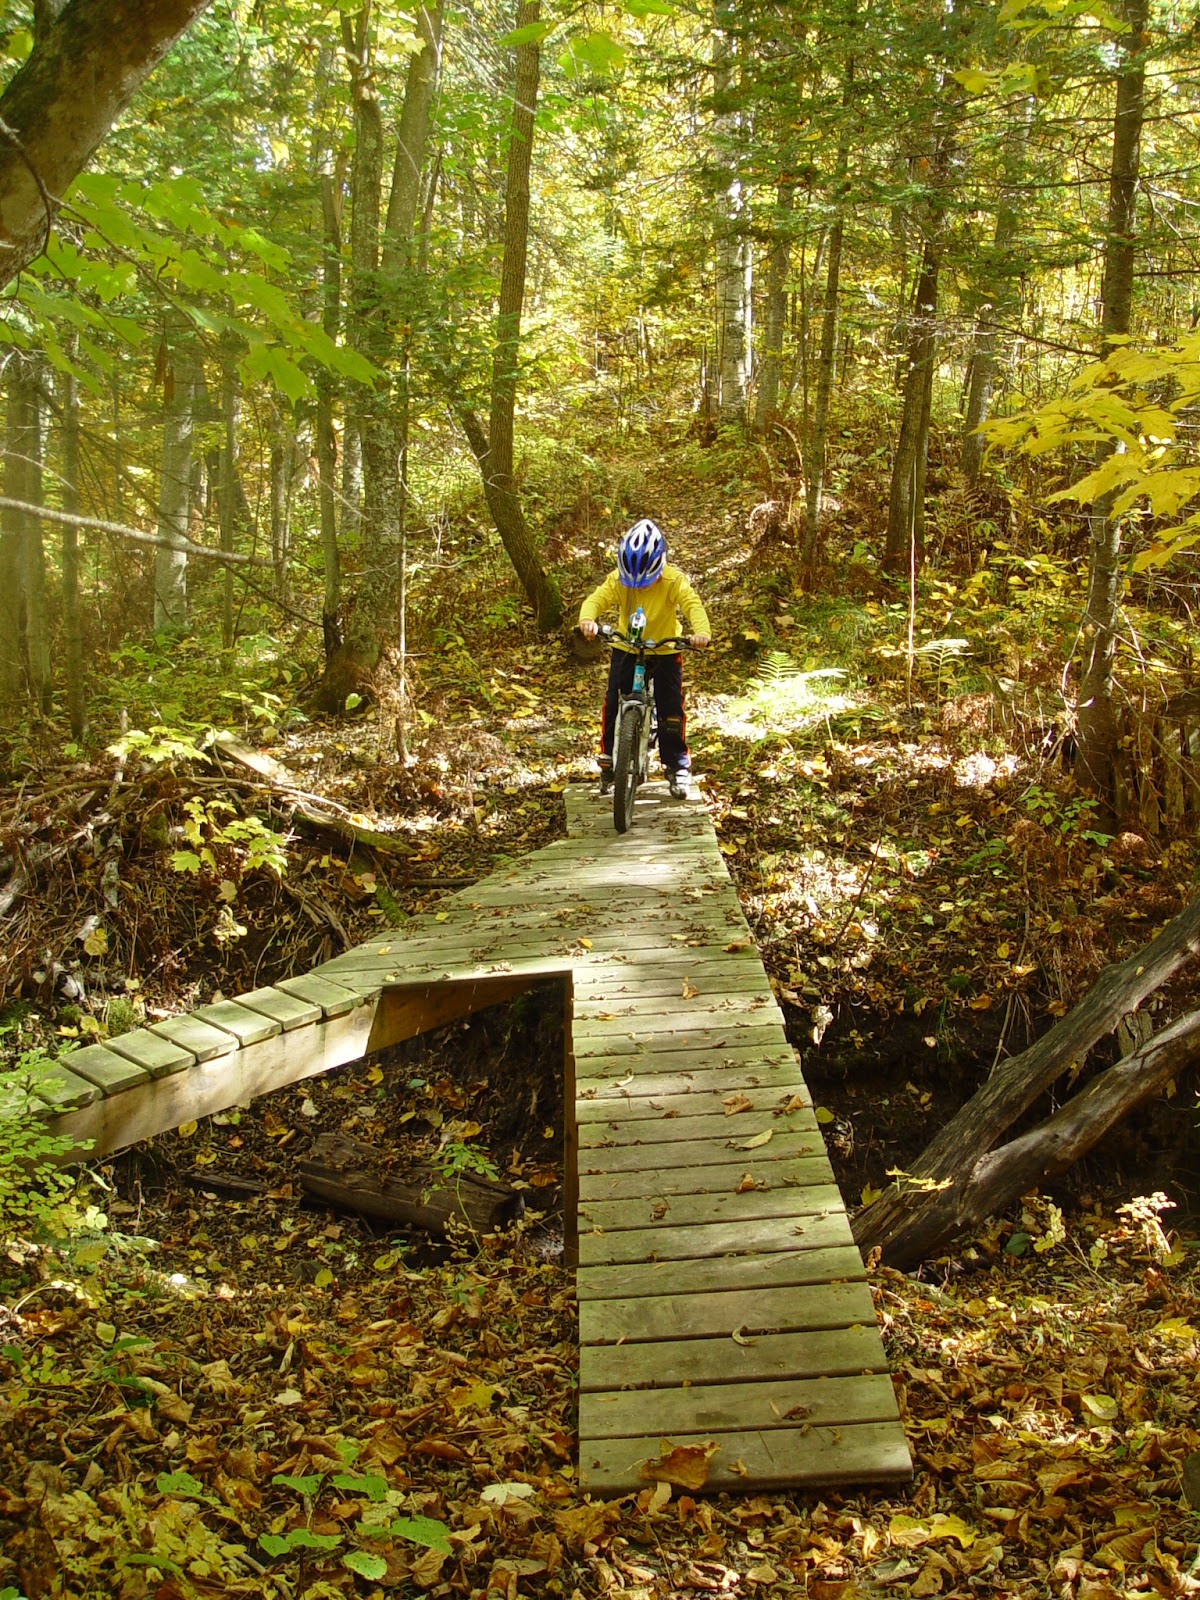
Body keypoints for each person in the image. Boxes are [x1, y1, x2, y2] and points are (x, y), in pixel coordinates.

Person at [579, 519, 711, 799]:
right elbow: (596, 599)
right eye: (633, 581)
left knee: (670, 707)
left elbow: (692, 604)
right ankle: (609, 756)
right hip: (627, 647)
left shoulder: (673, 580)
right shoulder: (618, 579)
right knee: (614, 700)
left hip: (665, 650)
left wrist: (701, 632)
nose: (638, 586)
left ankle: (677, 765)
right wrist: (588, 619)